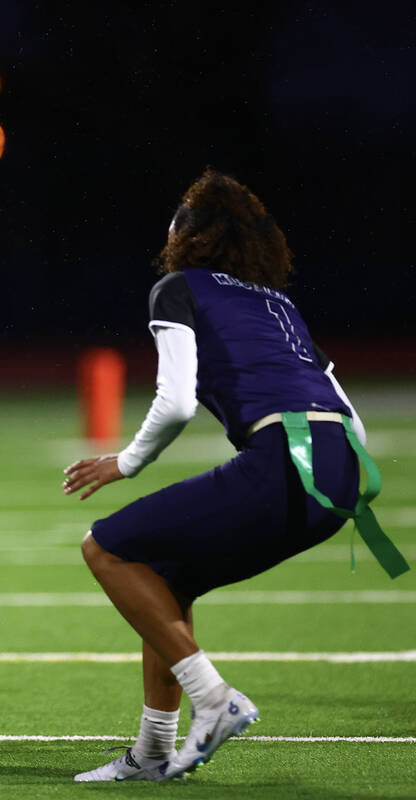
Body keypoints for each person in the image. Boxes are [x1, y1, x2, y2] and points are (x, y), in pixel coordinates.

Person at [63, 169, 401, 781]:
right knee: (164, 579)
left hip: (285, 462)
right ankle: (154, 752)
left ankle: (215, 699)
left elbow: (176, 402)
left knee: (105, 547)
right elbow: (347, 412)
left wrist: (125, 461)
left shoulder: (179, 288)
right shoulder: (279, 303)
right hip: (345, 470)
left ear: (187, 233)